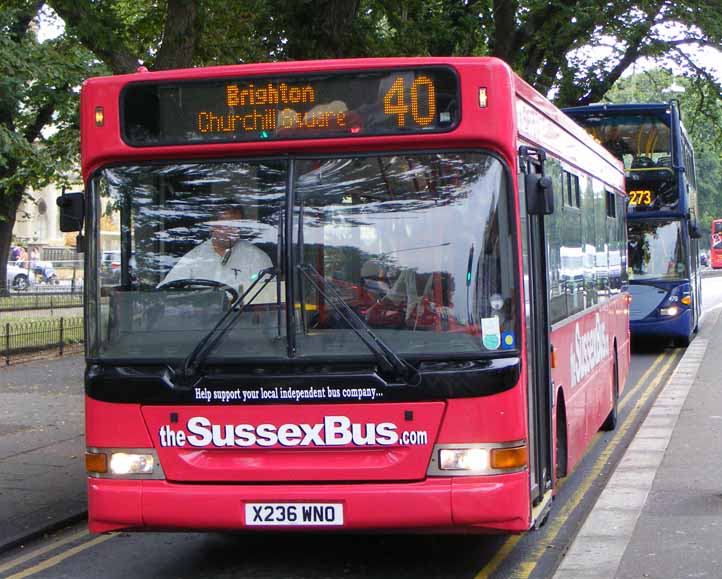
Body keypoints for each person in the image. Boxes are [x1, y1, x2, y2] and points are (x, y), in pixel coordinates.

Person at [162, 207, 272, 295]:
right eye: (227, 225)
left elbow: (269, 296)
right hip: (202, 318)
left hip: (241, 318)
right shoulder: (194, 256)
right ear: (212, 226)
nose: (232, 230)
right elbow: (167, 291)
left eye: (237, 225)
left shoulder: (256, 256)